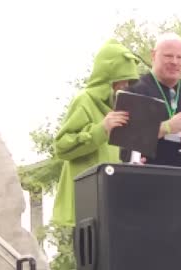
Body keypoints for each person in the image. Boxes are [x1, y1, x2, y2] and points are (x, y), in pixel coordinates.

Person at [120, 32, 181, 270]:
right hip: (148, 197)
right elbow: (125, 143)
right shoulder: (135, 91)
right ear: (153, 56)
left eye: (180, 57)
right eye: (168, 55)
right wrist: (168, 126)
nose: (175, 62)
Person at [52, 39, 141, 229]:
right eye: (121, 79)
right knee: (92, 259)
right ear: (108, 77)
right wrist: (101, 129)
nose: (125, 85)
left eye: (129, 81)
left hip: (111, 204)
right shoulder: (84, 100)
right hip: (86, 208)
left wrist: (132, 163)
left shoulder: (121, 109)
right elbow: (61, 147)